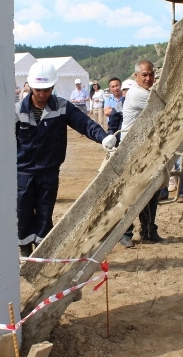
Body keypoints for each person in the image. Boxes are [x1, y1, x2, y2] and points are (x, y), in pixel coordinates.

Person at [16, 61, 116, 257]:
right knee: (22, 213)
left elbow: (84, 123)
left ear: (53, 86)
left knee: (45, 213)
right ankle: (25, 252)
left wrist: (103, 137)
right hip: (23, 173)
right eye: (38, 90)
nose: (42, 94)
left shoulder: (62, 107)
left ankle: (43, 254)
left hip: (49, 172)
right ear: (30, 86)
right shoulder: (17, 110)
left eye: (46, 90)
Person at [119, 60, 164, 247]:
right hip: (131, 151)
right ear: (136, 76)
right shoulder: (137, 93)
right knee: (130, 193)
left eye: (151, 74)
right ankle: (125, 233)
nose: (148, 78)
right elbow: (164, 106)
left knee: (151, 191)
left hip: (147, 150)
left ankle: (148, 231)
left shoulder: (148, 92)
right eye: (144, 75)